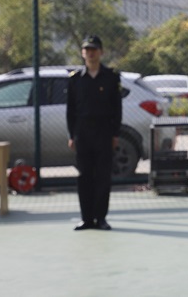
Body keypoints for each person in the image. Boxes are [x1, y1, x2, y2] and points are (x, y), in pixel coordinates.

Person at [66, 35, 122, 231]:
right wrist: (71, 135)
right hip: (83, 134)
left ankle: (101, 218)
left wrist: (115, 134)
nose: (91, 53)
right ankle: (86, 219)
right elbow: (70, 110)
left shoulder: (111, 77)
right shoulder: (75, 79)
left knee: (103, 176)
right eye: (87, 50)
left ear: (101, 52)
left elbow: (117, 108)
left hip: (104, 132)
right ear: (83, 53)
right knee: (85, 176)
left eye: (94, 50)